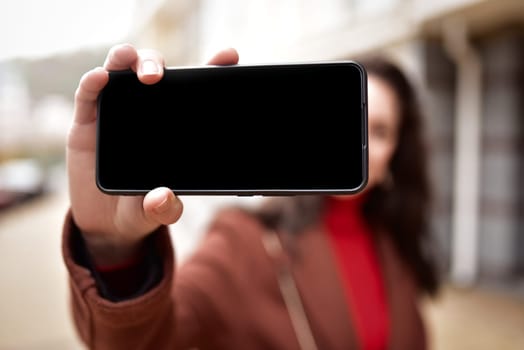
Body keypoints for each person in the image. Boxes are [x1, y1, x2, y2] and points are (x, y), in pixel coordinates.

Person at [63, 43, 440, 350]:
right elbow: (145, 340)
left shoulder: (395, 239)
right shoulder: (243, 239)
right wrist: (111, 247)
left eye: (379, 130)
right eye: (345, 118)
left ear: (397, 151)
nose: (357, 141)